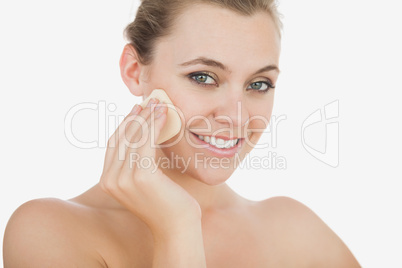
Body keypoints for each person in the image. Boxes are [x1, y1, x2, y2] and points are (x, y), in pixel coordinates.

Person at [3, 0, 360, 267]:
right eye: (203, 77)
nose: (235, 117)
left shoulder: (295, 230)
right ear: (134, 71)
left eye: (258, 83)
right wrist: (177, 228)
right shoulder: (49, 231)